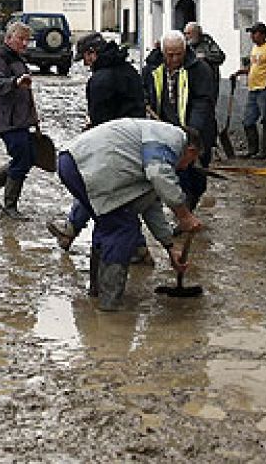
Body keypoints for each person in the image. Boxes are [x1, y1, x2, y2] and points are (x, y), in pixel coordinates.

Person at [55, 119, 205, 311]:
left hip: (74, 162)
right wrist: (184, 215)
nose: (184, 168)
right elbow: (158, 175)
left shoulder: (156, 139)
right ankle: (108, 306)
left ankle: (98, 293)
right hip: (88, 168)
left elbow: (152, 205)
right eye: (190, 162)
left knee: (109, 223)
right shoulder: (173, 138)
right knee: (123, 228)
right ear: (191, 151)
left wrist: (169, 246)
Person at [48, 32, 147, 251]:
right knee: (121, 194)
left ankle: (74, 228)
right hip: (137, 138)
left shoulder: (100, 81)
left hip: (114, 145)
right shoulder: (129, 70)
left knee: (96, 190)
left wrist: (91, 128)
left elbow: (101, 123)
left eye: (84, 58)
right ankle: (72, 229)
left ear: (92, 54)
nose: (84, 63)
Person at [142, 30, 217, 210]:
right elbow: (144, 92)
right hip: (165, 130)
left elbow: (203, 102)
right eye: (170, 54)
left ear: (185, 50)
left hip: (195, 131)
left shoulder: (200, 70)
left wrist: (191, 131)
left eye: (178, 54)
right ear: (163, 52)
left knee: (197, 176)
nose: (174, 59)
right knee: (176, 173)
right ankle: (183, 212)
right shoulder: (152, 70)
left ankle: (191, 203)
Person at [0, 20, 39, 219]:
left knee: (28, 157)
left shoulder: (16, 58)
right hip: (9, 121)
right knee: (22, 159)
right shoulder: (1, 57)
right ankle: (9, 206)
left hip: (20, 120)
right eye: (21, 39)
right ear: (8, 38)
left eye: (27, 40)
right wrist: (14, 82)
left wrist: (34, 119)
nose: (24, 44)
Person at [237, 22, 266, 158]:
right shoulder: (255, 49)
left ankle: (265, 151)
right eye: (251, 33)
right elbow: (255, 67)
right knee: (248, 120)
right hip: (253, 89)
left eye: (254, 33)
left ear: (262, 34)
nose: (252, 36)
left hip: (265, 89)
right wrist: (242, 72)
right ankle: (253, 149)